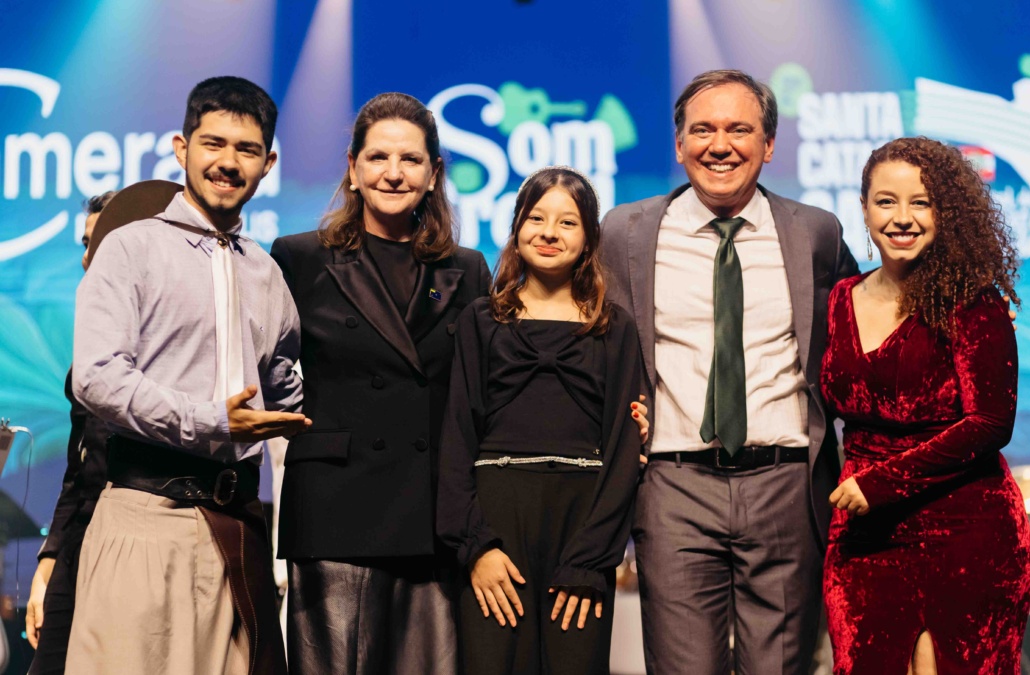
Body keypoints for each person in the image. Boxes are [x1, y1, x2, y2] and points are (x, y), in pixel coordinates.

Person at [600, 69, 860, 674]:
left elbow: (873, 314)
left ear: (768, 145)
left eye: (739, 129)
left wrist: (961, 300)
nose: (720, 145)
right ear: (679, 143)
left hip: (787, 484)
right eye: (703, 130)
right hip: (672, 486)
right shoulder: (626, 232)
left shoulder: (815, 232)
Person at [68, 76, 306, 675]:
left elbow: (286, 391)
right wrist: (211, 421)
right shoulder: (130, 249)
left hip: (240, 532)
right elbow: (96, 377)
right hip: (146, 514)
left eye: (246, 150)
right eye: (213, 144)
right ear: (181, 147)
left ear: (268, 162)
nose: (228, 163)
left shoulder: (268, 275)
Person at [270, 92, 491, 675]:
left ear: (434, 172)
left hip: (431, 515)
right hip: (337, 509)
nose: (394, 173)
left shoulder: (466, 269)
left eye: (411, 160)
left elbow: (485, 391)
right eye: (378, 158)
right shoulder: (300, 258)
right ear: (352, 166)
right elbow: (261, 371)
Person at [821, 137, 1030, 674]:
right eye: (886, 201)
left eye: (922, 202)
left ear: (948, 212)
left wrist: (881, 483)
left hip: (967, 529)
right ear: (865, 207)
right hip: (864, 538)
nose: (903, 218)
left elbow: (990, 422)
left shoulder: (974, 299)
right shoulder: (840, 296)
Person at [438, 166, 643, 675]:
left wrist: (591, 559)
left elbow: (622, 451)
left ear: (591, 238)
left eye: (567, 222)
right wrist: (476, 545)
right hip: (497, 522)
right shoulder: (480, 321)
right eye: (536, 217)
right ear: (515, 228)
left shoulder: (615, 330)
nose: (549, 232)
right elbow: (457, 439)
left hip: (582, 522)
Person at [26, 191, 114, 675]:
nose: (87, 259)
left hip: (135, 545)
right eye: (85, 244)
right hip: (81, 539)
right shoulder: (88, 357)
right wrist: (49, 560)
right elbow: (77, 472)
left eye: (99, 244)